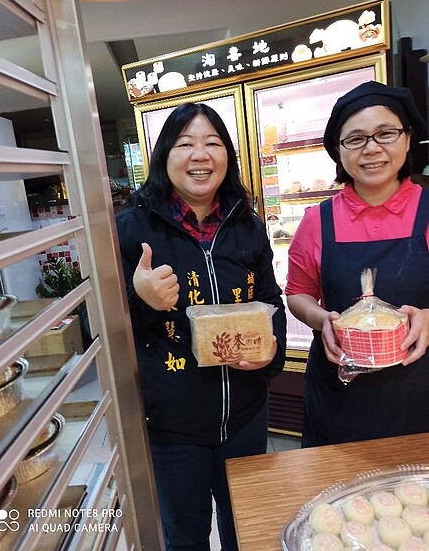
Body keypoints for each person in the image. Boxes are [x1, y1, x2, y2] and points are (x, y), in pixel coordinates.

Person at [116, 102, 286, 551]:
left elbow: (271, 301)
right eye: (185, 143)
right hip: (172, 427)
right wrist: (143, 302)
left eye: (212, 143)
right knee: (186, 537)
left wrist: (271, 354)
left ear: (227, 155)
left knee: (247, 531)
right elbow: (97, 328)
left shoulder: (247, 226)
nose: (200, 155)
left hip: (247, 417)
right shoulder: (130, 228)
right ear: (163, 155)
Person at [285, 80, 429, 448]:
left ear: (407, 139)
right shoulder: (318, 220)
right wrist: (323, 321)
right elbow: (298, 293)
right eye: (356, 139)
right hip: (339, 391)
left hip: (419, 391)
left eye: (386, 134)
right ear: (339, 151)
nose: (371, 149)